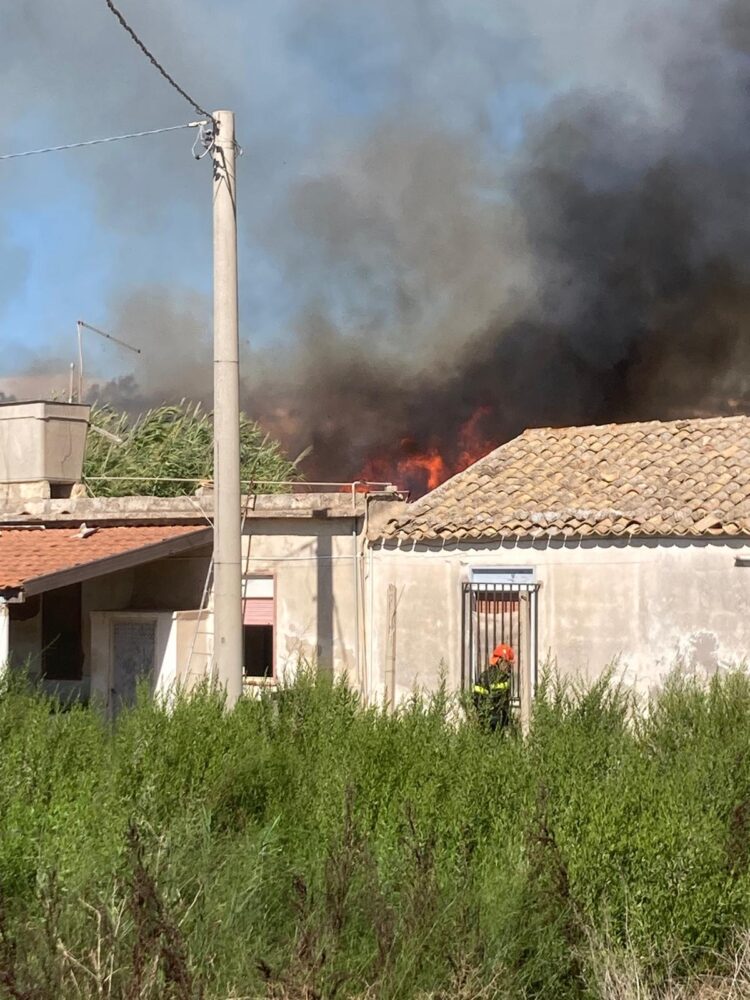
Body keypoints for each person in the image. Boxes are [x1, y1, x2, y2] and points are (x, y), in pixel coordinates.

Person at [472, 643, 515, 730]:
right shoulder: (487, 678)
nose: (509, 667)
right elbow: (478, 699)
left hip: (497, 721)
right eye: (507, 663)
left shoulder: (503, 678)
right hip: (491, 722)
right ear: (499, 661)